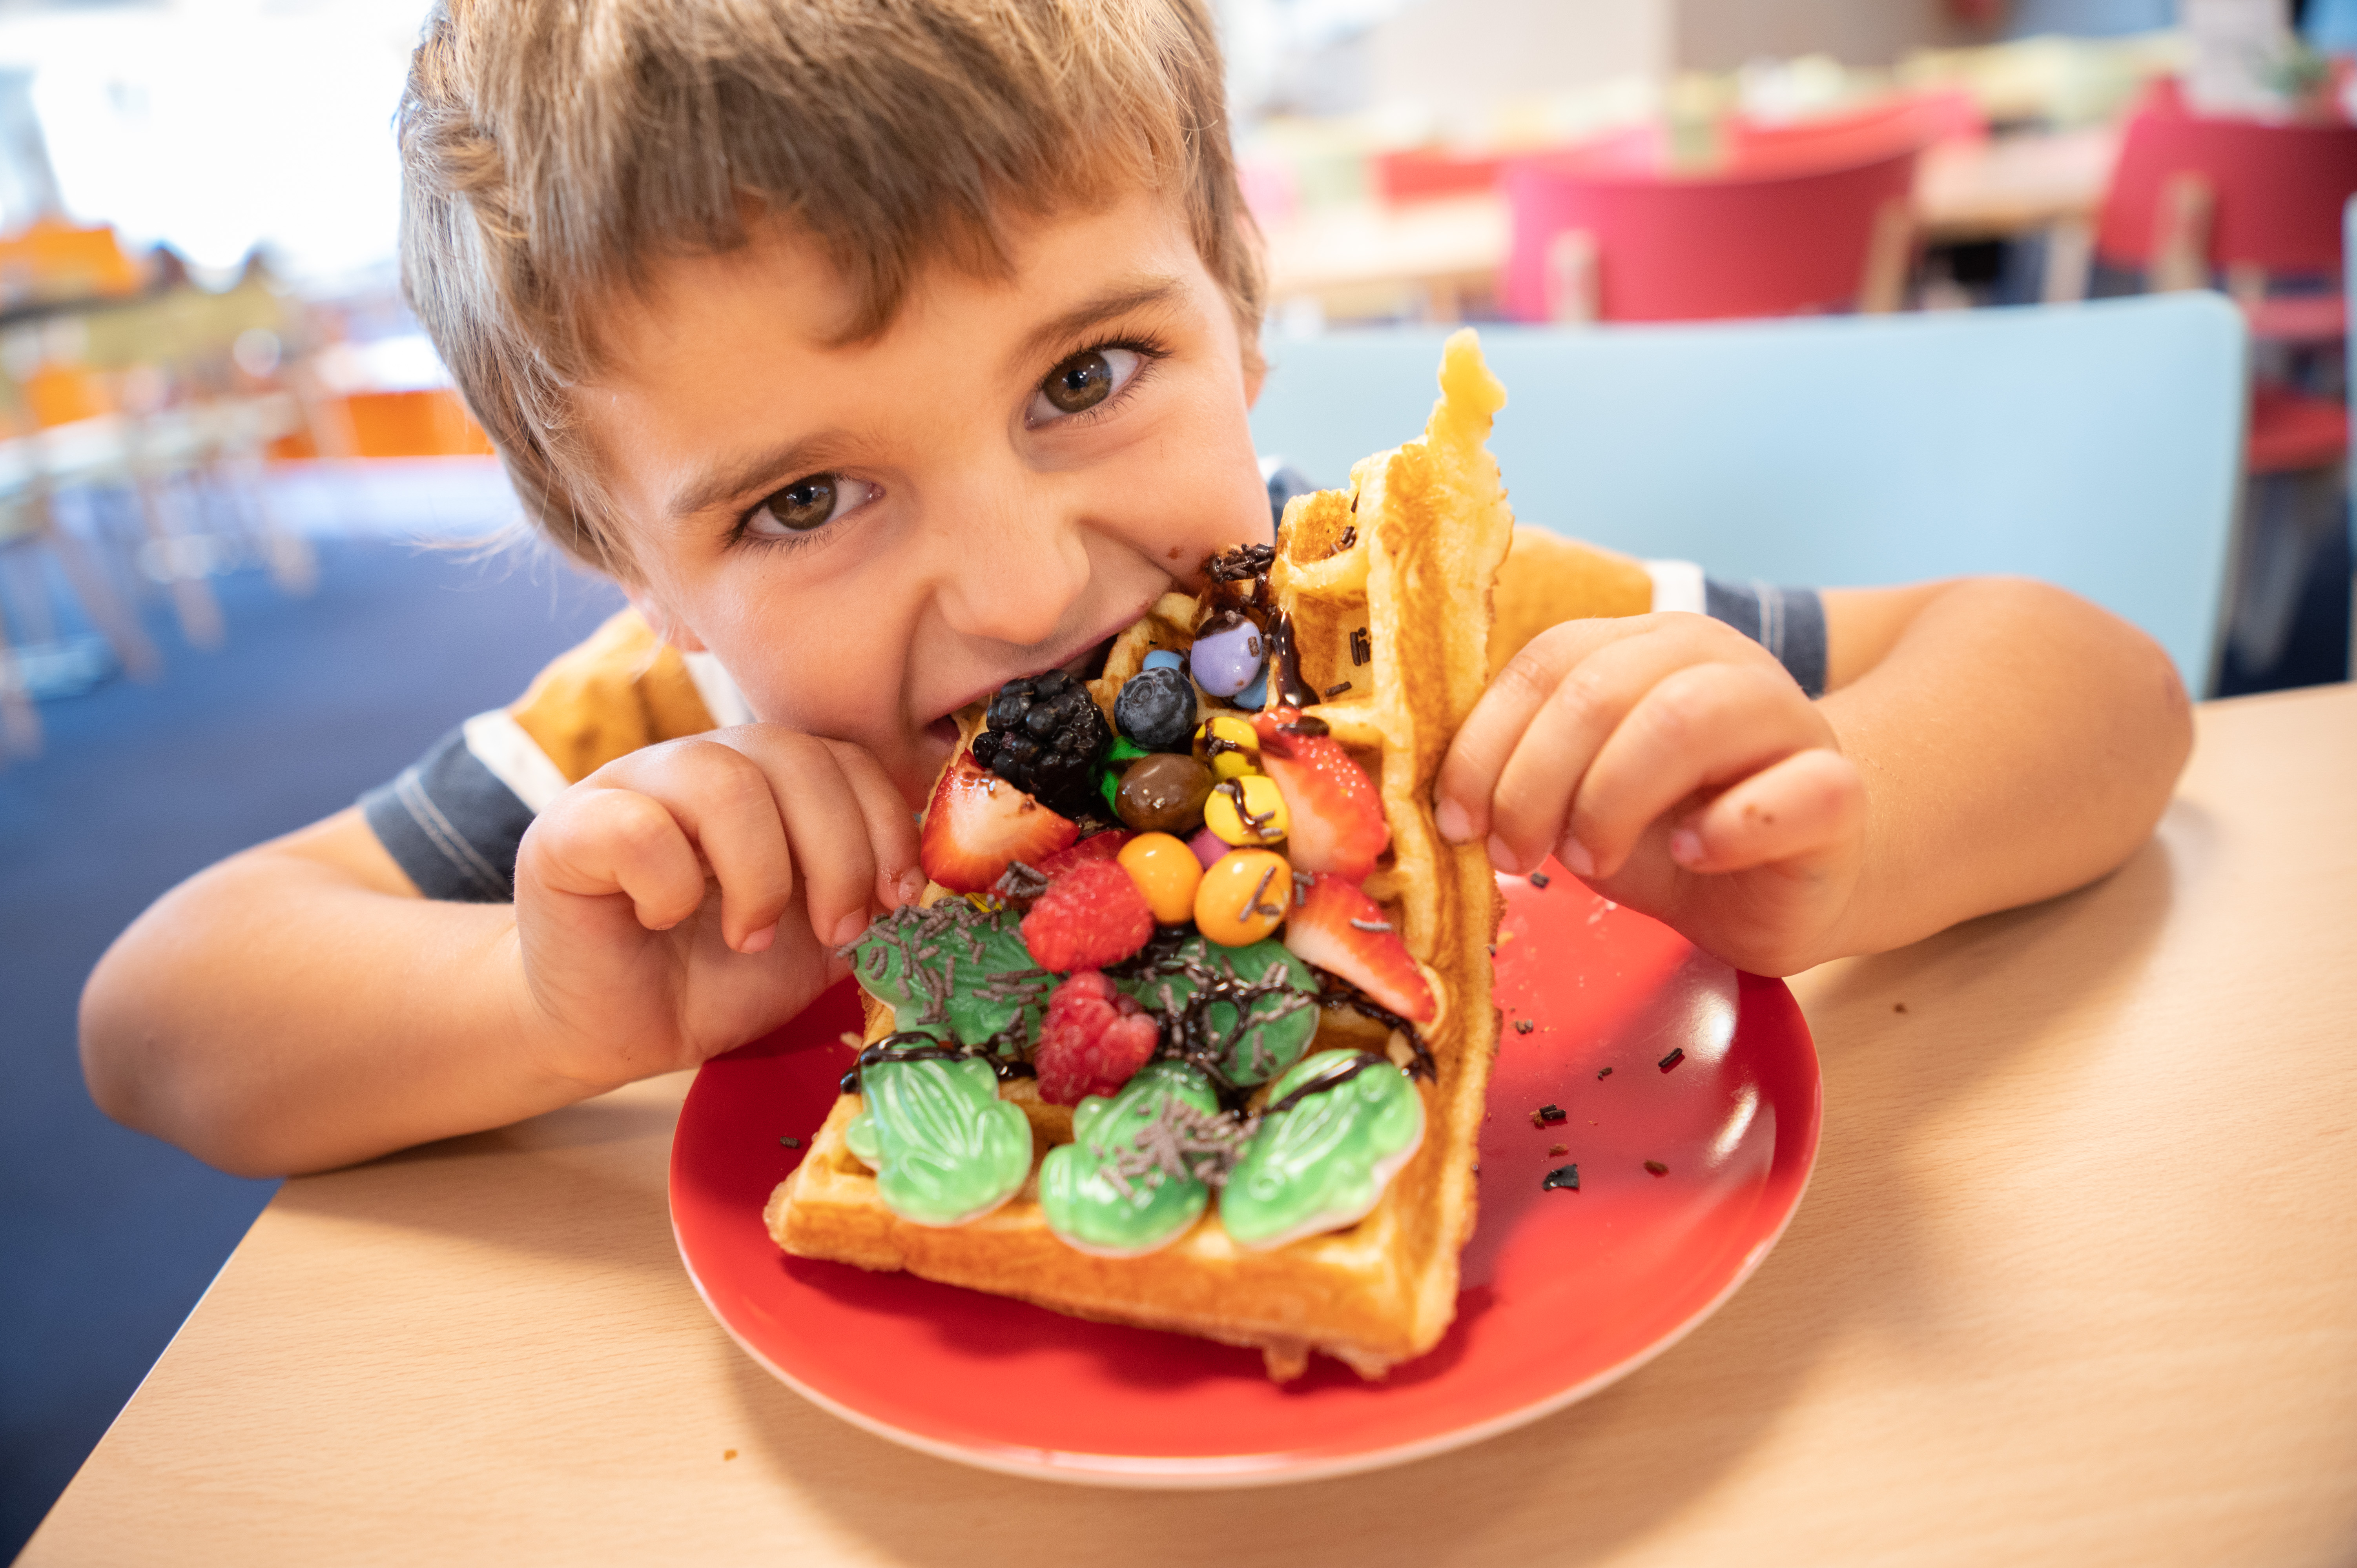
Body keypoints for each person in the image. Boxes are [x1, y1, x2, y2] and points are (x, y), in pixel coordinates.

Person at [79, 0, 2192, 1178]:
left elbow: (2091, 683)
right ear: (627, 563)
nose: (1019, 588)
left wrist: (1844, 828)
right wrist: (540, 1006)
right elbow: (161, 1019)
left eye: (1088, 377)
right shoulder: (664, 758)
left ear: (1240, 321)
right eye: (804, 502)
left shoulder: (1392, 629)